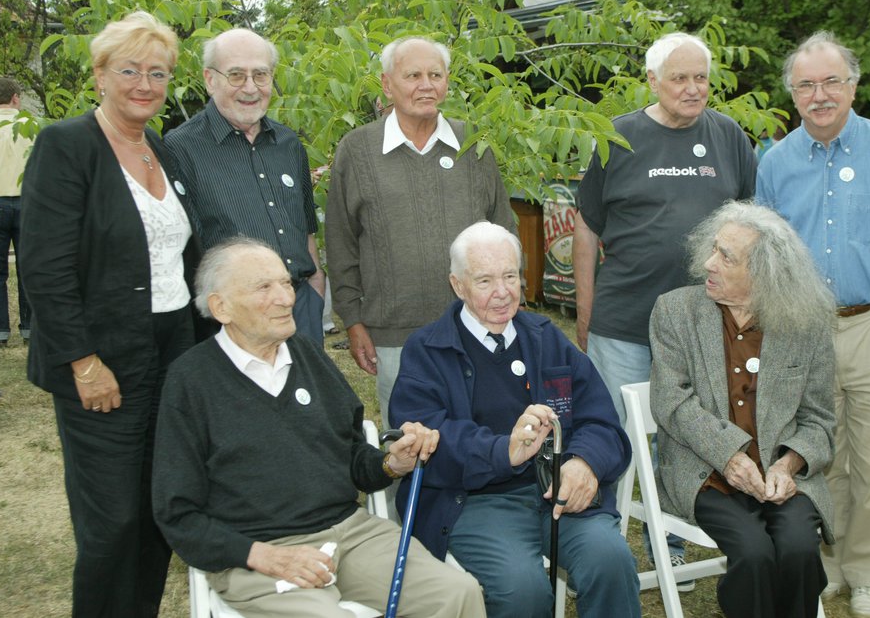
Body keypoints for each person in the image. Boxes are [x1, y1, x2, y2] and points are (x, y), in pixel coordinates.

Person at [152, 238, 484, 618]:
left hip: (351, 534)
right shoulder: (191, 381)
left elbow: (353, 455)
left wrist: (393, 463)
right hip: (256, 553)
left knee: (457, 593)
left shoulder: (308, 355)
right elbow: (177, 512)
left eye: (286, 283)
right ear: (220, 307)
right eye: (264, 287)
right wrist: (262, 556)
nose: (286, 298)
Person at [19, 11, 196, 618]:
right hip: (101, 359)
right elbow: (44, 268)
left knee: (157, 507)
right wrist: (83, 361)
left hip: (173, 352)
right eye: (129, 70)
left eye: (158, 73)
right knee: (112, 519)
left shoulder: (163, 151)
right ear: (99, 75)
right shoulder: (67, 146)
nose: (144, 84)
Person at [755, 31, 870, 617]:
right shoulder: (775, 163)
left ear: (853, 85)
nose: (820, 94)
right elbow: (769, 250)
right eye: (806, 85)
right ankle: (825, 565)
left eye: (832, 81)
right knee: (814, 454)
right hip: (803, 330)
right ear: (792, 94)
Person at [572, 31, 756, 579]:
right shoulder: (619, 137)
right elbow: (585, 229)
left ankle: (669, 537)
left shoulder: (729, 137)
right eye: (680, 77)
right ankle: (598, 545)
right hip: (625, 323)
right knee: (615, 439)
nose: (693, 88)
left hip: (707, 327)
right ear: (652, 81)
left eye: (701, 77)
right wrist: (585, 313)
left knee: (693, 435)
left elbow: (751, 227)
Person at [389, 221, 640, 618]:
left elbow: (602, 420)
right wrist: (502, 450)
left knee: (611, 561)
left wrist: (584, 462)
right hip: (473, 502)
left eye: (510, 276)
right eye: (485, 280)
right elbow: (426, 442)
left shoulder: (545, 337)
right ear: (457, 285)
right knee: (522, 591)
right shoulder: (427, 350)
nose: (503, 292)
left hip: (554, 492)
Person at [650, 200, 836, 618]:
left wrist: (787, 466)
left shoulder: (805, 324)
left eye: (725, 257)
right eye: (713, 249)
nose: (708, 263)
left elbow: (820, 419)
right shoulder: (675, 311)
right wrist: (730, 455)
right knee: (753, 554)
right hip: (707, 472)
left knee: (799, 548)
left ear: (765, 273)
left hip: (778, 475)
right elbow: (672, 401)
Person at [325, 36, 515, 424]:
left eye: (435, 74)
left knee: (485, 434)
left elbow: (504, 230)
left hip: (477, 325)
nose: (426, 85)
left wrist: (510, 298)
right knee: (411, 444)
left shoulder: (472, 144)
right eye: (412, 75)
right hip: (396, 335)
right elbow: (341, 243)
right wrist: (354, 321)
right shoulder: (358, 150)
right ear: (386, 84)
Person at [165, 28, 326, 345]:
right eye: (236, 75)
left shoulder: (288, 144)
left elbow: (304, 227)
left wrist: (316, 289)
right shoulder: (180, 148)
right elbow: (182, 248)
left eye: (260, 75)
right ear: (210, 79)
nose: (250, 88)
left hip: (301, 307)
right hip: (236, 317)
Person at [0, 76, 33, 347]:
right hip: (26, 203)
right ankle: (30, 329)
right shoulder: (30, 127)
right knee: (28, 268)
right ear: (16, 97)